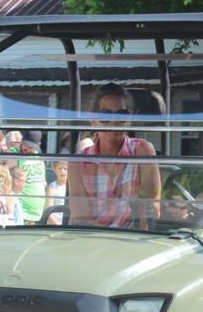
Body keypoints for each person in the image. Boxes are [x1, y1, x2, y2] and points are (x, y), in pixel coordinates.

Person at [67, 84, 161, 229]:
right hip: (91, 240)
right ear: (93, 120)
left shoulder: (142, 151)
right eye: (105, 116)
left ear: (129, 118)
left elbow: (151, 209)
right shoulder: (78, 163)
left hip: (132, 242)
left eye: (121, 115)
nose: (113, 122)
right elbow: (81, 218)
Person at [16, 140, 46, 223]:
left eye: (32, 147)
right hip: (23, 213)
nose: (29, 150)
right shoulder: (15, 155)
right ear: (22, 143)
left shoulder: (38, 156)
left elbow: (43, 182)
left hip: (39, 214)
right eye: (27, 146)